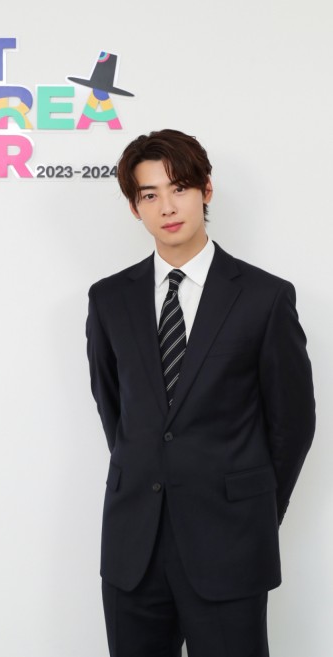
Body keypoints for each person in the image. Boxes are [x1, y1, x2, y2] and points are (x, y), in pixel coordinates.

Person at [85, 129, 315, 657]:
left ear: (206, 190)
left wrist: (252, 508)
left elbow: (293, 423)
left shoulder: (264, 297)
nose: (167, 207)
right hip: (133, 546)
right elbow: (114, 406)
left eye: (180, 188)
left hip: (231, 541)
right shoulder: (109, 299)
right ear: (134, 207)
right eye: (149, 194)